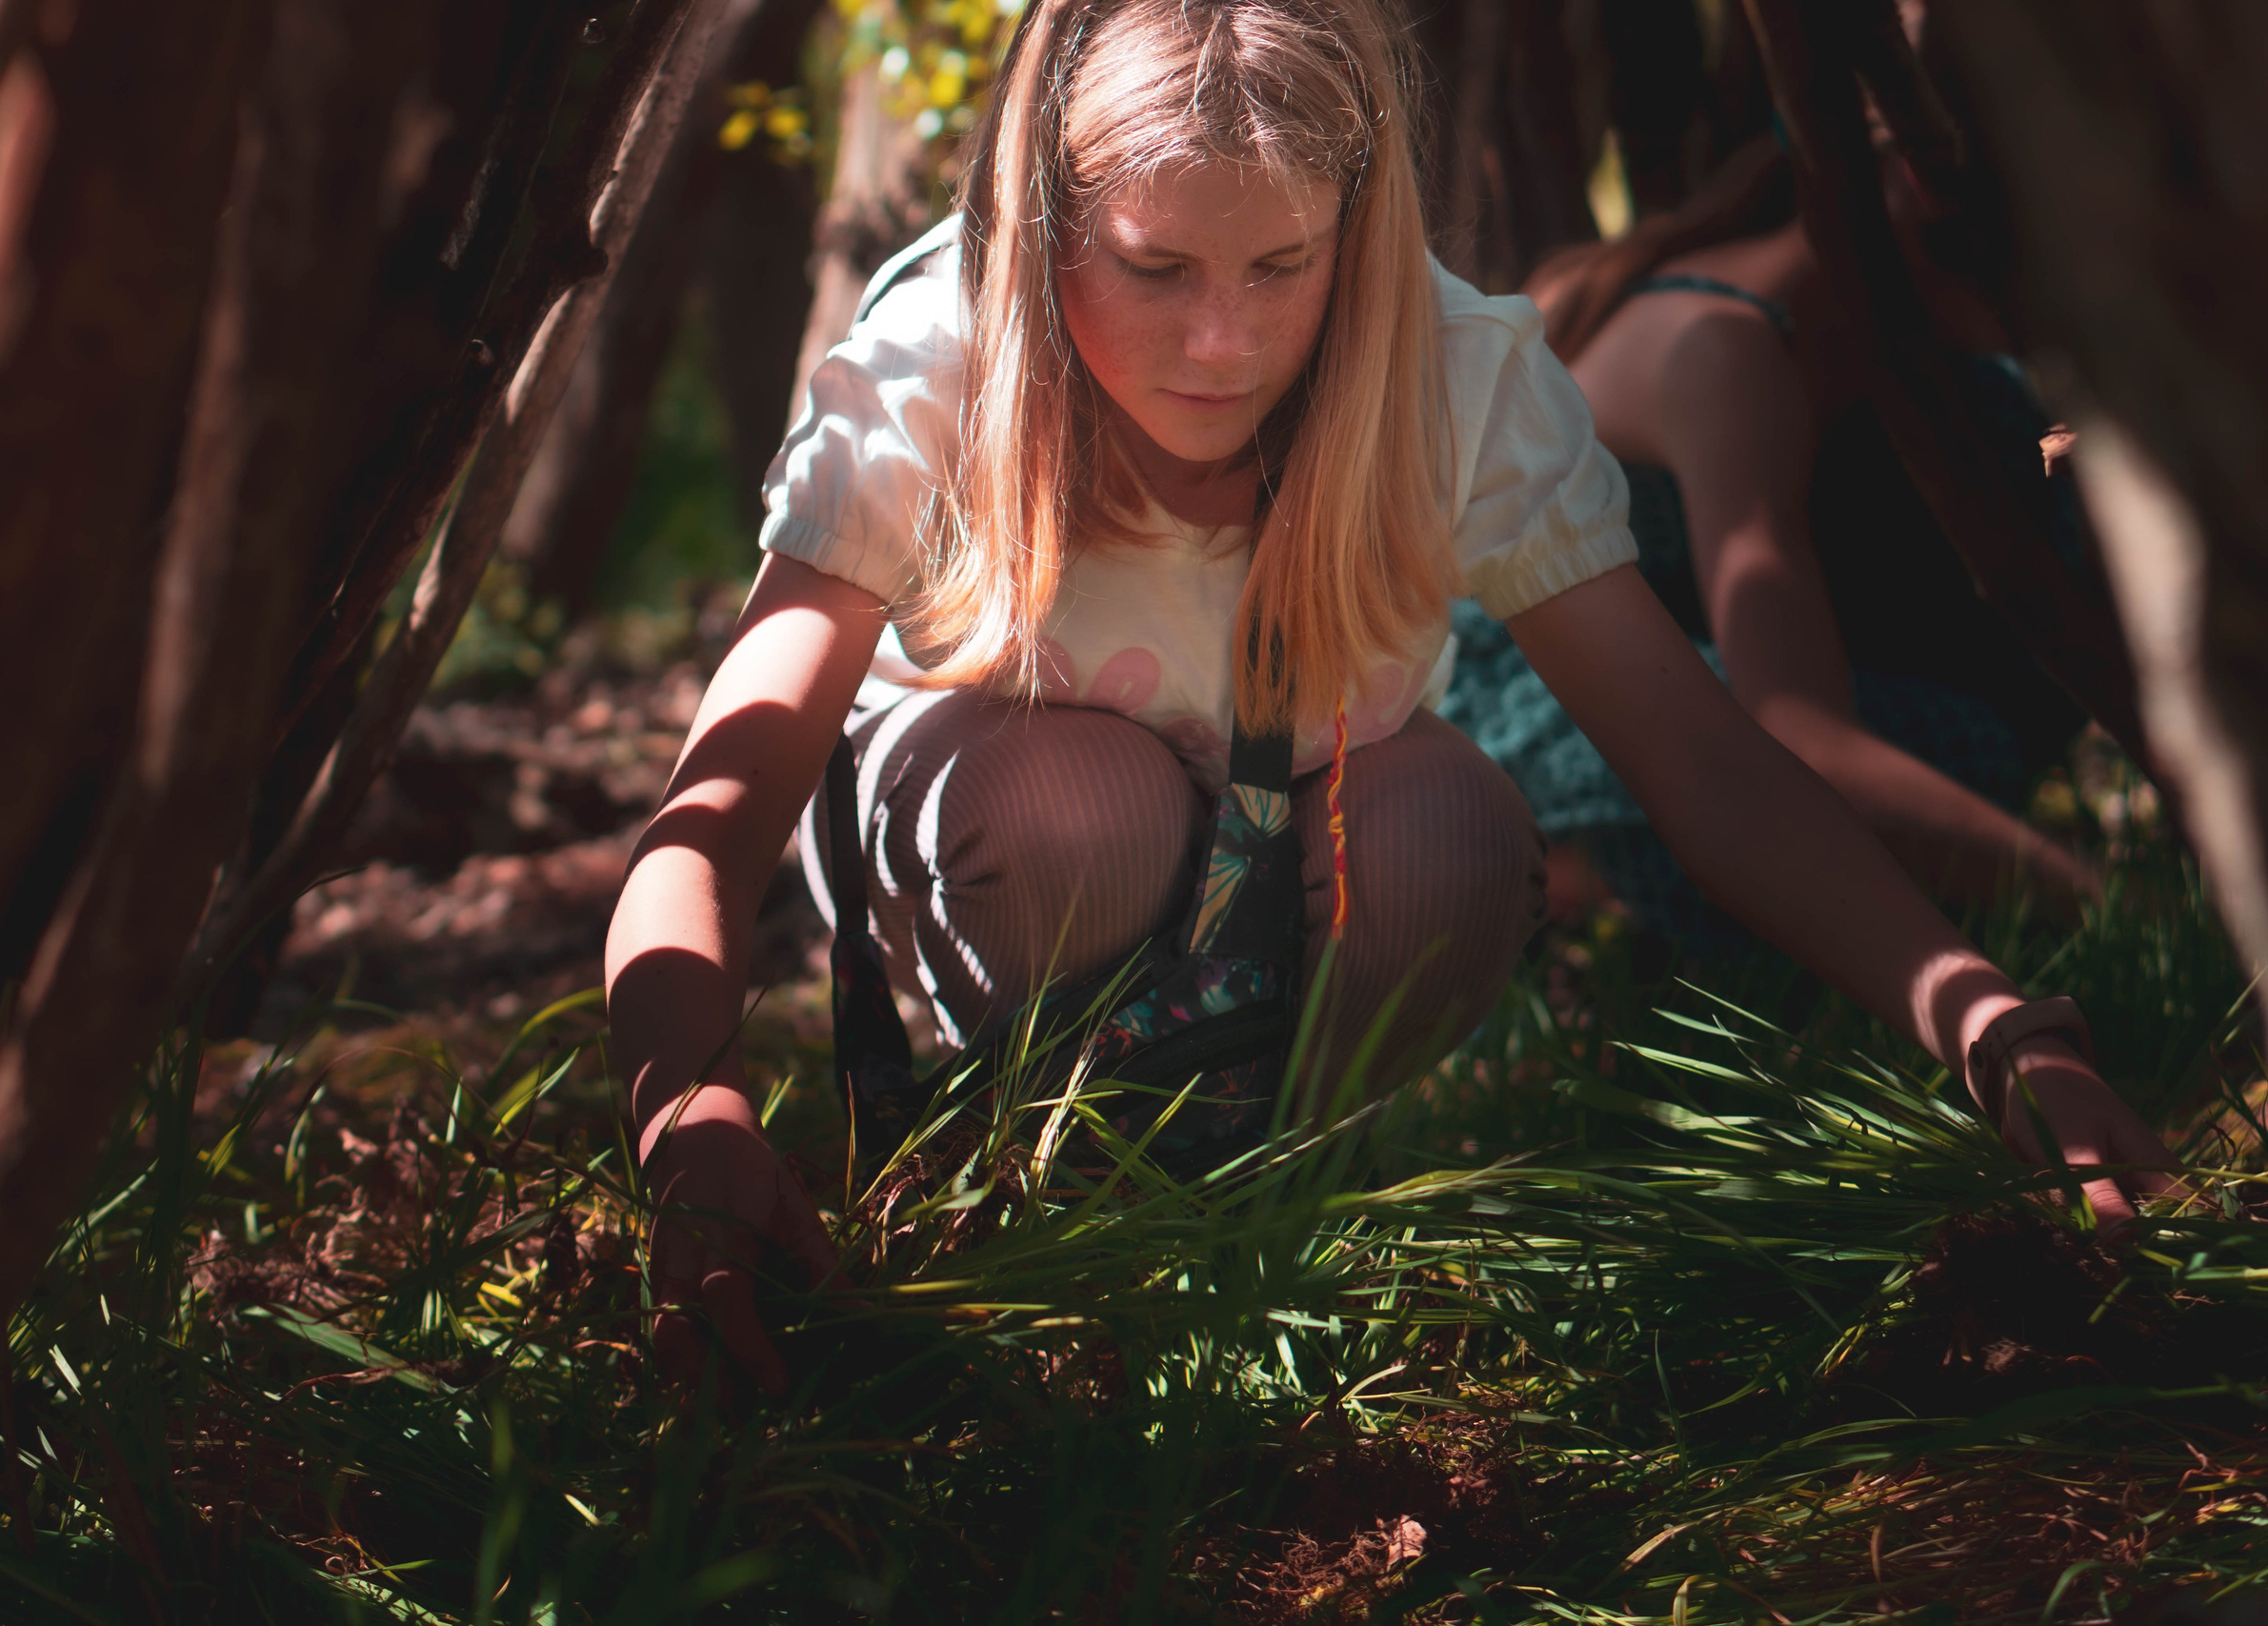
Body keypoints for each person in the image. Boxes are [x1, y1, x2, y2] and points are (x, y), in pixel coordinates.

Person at [605, 0, 2175, 1396]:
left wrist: (1987, 1016)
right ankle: (1006, 1167)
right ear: (1044, 228)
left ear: (1355, 231)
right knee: (1077, 805)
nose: (1225, 342)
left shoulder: (1449, 375)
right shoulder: (934, 364)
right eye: (1155, 268)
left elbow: (1703, 760)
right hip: (991, 854)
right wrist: (687, 1100)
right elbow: (715, 811)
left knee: (1455, 829)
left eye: (1283, 265)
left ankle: (1250, 1197)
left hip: (1270, 851)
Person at [1443, 133, 2101, 954]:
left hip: (1648, 664)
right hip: (1512, 710)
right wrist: (2093, 900)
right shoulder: (1727, 354)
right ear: (1912, 184)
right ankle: (1570, 882)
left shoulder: (1835, 337)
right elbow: (1803, 739)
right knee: (1962, 748)